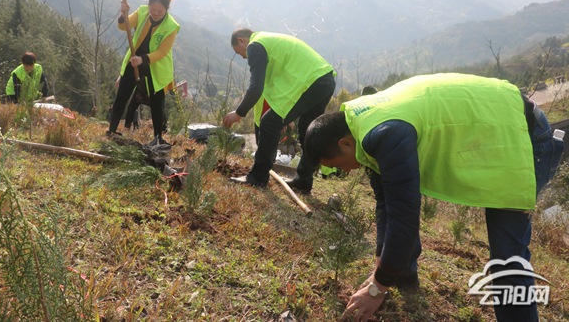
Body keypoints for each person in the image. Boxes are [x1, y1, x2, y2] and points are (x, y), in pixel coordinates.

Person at [303, 73, 564, 322]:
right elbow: (386, 203)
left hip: (520, 133)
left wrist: (377, 288)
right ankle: (402, 274)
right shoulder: (359, 120)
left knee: (507, 261)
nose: (346, 172)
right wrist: (380, 267)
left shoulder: (385, 133)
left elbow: (404, 217)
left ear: (344, 143)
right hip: (498, 122)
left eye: (338, 165)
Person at [222, 28, 335, 193]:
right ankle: (304, 181)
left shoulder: (255, 45)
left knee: (270, 122)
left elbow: (256, 88)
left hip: (311, 82)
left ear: (241, 40)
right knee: (308, 131)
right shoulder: (268, 41)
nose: (244, 57)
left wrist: (239, 113)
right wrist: (285, 116)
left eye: (240, 54)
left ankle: (257, 177)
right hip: (325, 79)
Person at [107, 0, 180, 145]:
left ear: (167, 9)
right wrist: (123, 14)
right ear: (148, 6)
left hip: (156, 67)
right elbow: (123, 26)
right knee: (122, 96)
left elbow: (162, 52)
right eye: (153, 9)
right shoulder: (142, 12)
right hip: (134, 61)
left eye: (160, 11)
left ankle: (158, 138)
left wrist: (143, 60)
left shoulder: (171, 26)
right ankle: (111, 131)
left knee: (157, 102)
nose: (155, 13)